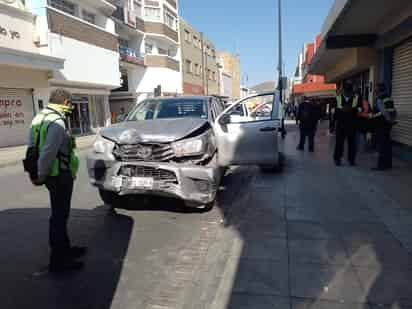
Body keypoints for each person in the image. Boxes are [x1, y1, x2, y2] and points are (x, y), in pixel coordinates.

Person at [28, 89, 86, 273]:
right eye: (71, 105)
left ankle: (65, 250)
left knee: (59, 215)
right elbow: (47, 152)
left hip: (51, 175)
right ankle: (59, 261)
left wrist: (35, 173)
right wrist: (41, 174)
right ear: (66, 103)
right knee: (59, 217)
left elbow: (31, 147)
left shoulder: (39, 118)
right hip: (58, 175)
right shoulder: (57, 121)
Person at [333, 82, 361, 166]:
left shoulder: (356, 98)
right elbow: (334, 111)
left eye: (349, 91)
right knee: (339, 143)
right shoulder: (338, 98)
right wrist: (342, 110)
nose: (348, 93)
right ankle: (337, 159)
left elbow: (360, 109)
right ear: (343, 91)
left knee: (352, 144)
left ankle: (351, 160)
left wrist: (352, 110)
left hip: (352, 125)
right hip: (341, 125)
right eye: (346, 91)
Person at [370, 84, 397, 171]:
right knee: (387, 144)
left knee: (381, 145)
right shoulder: (389, 97)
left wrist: (388, 120)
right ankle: (388, 164)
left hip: (382, 123)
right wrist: (392, 121)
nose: (375, 90)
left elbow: (384, 112)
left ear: (379, 90)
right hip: (388, 124)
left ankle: (381, 165)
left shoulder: (380, 98)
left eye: (376, 88)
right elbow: (393, 110)